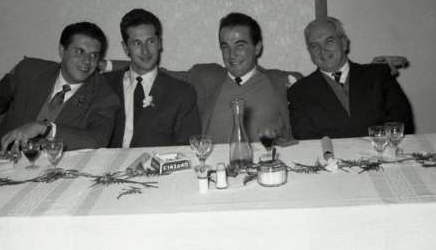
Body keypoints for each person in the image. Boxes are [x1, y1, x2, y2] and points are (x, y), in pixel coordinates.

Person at [0, 22, 120, 151]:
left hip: (55, 166)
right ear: (62, 51)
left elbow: (97, 140)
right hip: (2, 159)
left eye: (94, 55)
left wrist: (46, 129)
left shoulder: (105, 96)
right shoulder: (28, 72)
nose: (87, 61)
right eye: (79, 51)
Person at [288, 16, 414, 139]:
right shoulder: (298, 92)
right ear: (309, 52)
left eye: (329, 41)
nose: (323, 50)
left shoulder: (379, 75)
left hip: (382, 151)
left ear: (344, 43)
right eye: (315, 46)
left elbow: (401, 122)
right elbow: (306, 139)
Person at [185, 12, 302, 143]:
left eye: (240, 46)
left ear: (257, 48)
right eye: (225, 47)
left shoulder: (281, 82)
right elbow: (168, 81)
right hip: (213, 156)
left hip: (263, 156)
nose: (232, 55)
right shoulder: (204, 77)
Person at [104, 9, 201, 147]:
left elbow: (187, 147)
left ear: (159, 43)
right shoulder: (105, 84)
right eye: (137, 43)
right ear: (125, 48)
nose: (145, 51)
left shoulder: (182, 93)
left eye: (150, 41)